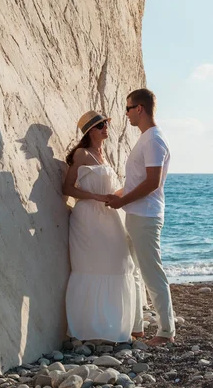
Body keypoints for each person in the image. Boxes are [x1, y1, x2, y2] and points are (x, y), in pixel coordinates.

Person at [107, 88, 175, 346]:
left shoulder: (154, 139)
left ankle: (166, 332)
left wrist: (121, 201)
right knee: (135, 272)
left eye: (127, 108)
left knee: (152, 273)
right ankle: (137, 327)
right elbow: (136, 181)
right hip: (136, 215)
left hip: (146, 216)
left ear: (139, 109)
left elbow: (152, 183)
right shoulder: (146, 138)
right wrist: (112, 196)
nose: (125, 114)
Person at [62, 111, 136, 342]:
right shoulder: (81, 154)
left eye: (106, 124)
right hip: (88, 219)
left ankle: (114, 327)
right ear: (90, 130)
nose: (106, 128)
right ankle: (90, 330)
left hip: (110, 217)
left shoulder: (104, 156)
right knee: (91, 267)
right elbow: (67, 188)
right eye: (101, 125)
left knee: (121, 263)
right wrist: (95, 196)